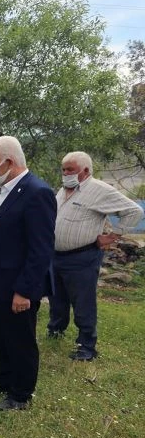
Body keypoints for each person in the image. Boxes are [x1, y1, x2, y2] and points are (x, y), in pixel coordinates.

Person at [0, 136, 56, 411]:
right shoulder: (7, 190)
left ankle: (20, 394)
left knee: (20, 340)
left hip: (17, 285)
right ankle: (3, 380)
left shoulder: (36, 192)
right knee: (0, 336)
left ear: (9, 162)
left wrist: (25, 290)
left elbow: (40, 249)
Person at [46, 151, 144, 361]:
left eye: (70, 169)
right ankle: (55, 331)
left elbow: (134, 211)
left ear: (86, 170)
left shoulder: (99, 190)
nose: (65, 173)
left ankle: (86, 347)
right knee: (57, 298)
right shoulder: (63, 191)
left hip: (82, 256)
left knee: (83, 302)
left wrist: (113, 236)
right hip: (56, 256)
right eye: (63, 169)